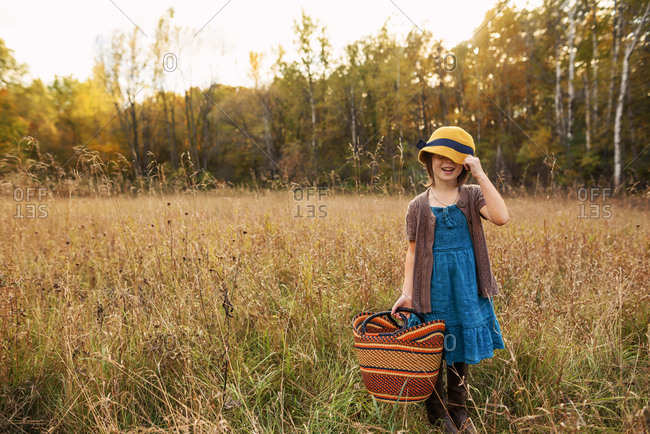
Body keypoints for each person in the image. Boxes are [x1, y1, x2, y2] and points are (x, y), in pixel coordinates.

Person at [391, 126, 508, 433]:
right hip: (430, 290)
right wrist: (407, 293)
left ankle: (459, 409)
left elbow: (501, 217)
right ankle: (438, 413)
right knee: (433, 350)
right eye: (440, 155)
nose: (447, 162)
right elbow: (412, 253)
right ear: (429, 159)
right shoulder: (417, 205)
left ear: (465, 164)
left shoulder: (470, 196)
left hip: (465, 289)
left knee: (459, 349)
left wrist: (481, 174)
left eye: (455, 157)